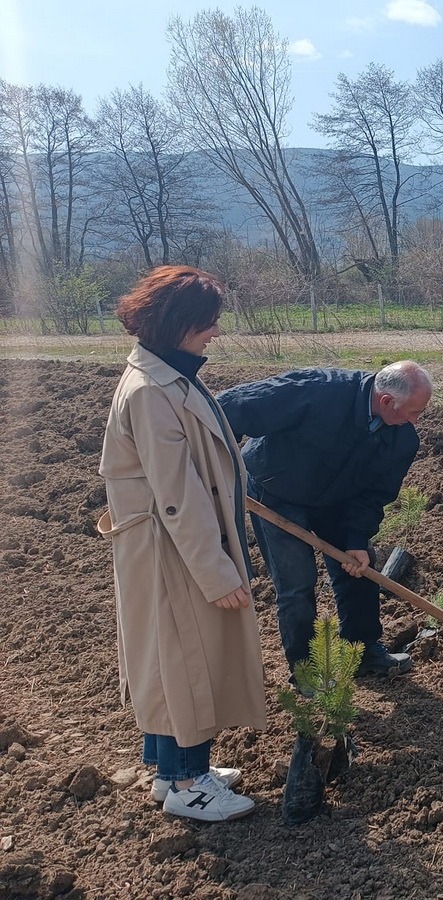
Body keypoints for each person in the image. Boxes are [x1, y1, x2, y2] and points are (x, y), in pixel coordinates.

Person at [99, 266, 266, 822]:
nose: (215, 332)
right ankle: (189, 785)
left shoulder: (168, 374)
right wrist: (216, 572)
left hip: (170, 545)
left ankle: (171, 773)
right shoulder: (151, 390)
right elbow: (178, 496)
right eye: (207, 322)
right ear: (176, 323)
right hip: (172, 550)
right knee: (188, 662)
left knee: (175, 660)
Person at [217, 360, 433, 679]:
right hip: (277, 493)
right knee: (296, 581)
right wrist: (215, 466)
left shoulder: (401, 440)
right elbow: (231, 408)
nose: (416, 420)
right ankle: (306, 670)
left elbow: (374, 495)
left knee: (360, 568)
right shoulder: (319, 390)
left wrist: (357, 540)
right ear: (387, 402)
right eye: (414, 412)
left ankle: (361, 650)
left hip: (339, 499)